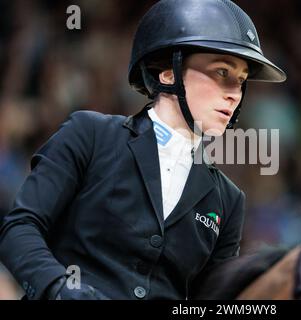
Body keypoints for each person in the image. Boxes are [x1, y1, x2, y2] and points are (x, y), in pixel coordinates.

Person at [0, 0, 286, 300]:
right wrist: (59, 289)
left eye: (240, 82)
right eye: (222, 73)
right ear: (168, 73)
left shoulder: (228, 199)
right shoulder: (90, 134)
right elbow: (20, 228)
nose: (233, 94)